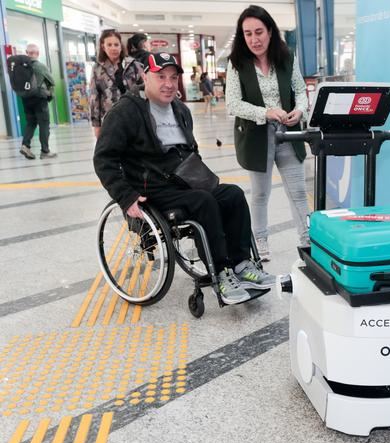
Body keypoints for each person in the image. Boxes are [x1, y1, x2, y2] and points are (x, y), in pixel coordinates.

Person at [93, 53, 275, 305]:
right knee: (203, 202)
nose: (168, 83)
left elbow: (192, 149)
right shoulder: (125, 112)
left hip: (185, 180)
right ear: (145, 76)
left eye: (173, 77)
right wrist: (126, 197)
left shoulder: (180, 109)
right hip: (153, 187)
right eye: (161, 77)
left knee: (232, 194)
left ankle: (242, 264)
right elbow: (104, 159)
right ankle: (222, 273)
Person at [226, 5, 309, 262]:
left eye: (259, 32)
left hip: (288, 134)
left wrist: (299, 110)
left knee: (297, 190)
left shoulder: (287, 59)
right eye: (248, 34)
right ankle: (260, 241)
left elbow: (301, 91)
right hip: (255, 137)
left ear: (271, 31)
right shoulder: (237, 63)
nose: (254, 39)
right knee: (260, 194)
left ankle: (307, 238)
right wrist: (266, 112)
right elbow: (233, 104)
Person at [89, 30, 138, 138]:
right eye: (109, 45)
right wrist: (96, 125)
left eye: (116, 44)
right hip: (109, 119)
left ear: (121, 46)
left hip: (133, 117)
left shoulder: (133, 65)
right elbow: (94, 98)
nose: (113, 48)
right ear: (103, 46)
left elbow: (144, 89)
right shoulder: (97, 68)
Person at [18, 44, 57, 160]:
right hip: (39, 99)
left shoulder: (21, 68)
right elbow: (52, 81)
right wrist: (50, 95)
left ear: (27, 52)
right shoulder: (40, 66)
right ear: (37, 53)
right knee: (44, 125)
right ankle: (45, 151)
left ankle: (25, 145)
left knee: (31, 123)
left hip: (26, 99)